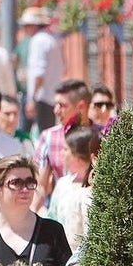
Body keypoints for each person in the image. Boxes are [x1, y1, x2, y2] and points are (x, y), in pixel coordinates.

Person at [32, 78, 90, 213]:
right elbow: (40, 186)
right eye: (55, 104)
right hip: (61, 213)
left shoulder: (102, 135)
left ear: (81, 106)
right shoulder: (48, 137)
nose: (56, 110)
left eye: (62, 105)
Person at [46, 126, 100, 251]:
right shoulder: (63, 184)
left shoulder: (98, 188)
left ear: (79, 155)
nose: (62, 154)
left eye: (66, 149)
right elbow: (52, 219)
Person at [20, 6, 64, 134]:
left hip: (41, 97)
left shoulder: (38, 41)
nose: (25, 29)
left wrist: (32, 99)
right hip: (50, 95)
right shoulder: (51, 39)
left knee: (30, 134)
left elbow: (39, 74)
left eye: (27, 25)